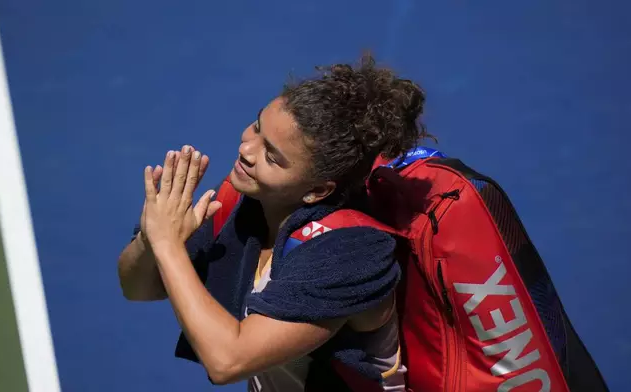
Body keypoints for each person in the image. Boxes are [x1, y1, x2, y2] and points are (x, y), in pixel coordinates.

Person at [117, 54, 430, 391]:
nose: (246, 150)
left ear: (316, 191)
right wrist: (151, 240)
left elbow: (227, 361)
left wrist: (167, 245)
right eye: (256, 126)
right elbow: (139, 288)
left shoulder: (351, 251)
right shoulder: (245, 202)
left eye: (271, 155)